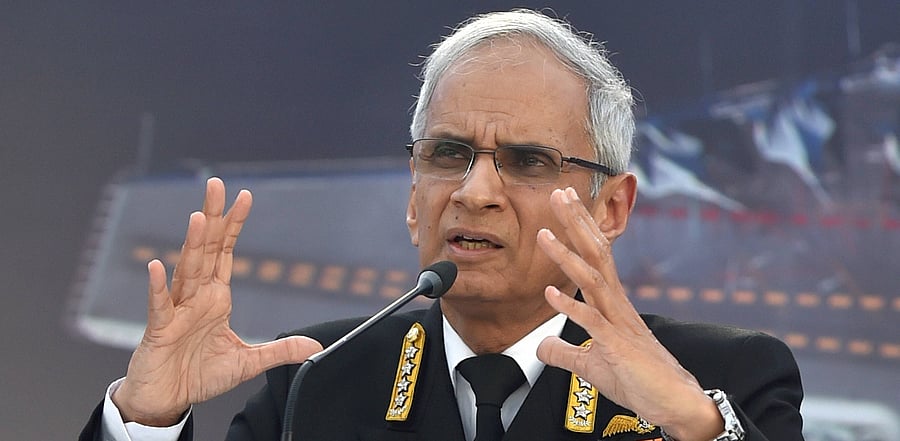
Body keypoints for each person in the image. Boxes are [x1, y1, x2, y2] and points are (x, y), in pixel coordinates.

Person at [79, 9, 803, 441]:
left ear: (610, 207)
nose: (474, 190)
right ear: (412, 191)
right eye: (448, 153)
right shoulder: (319, 380)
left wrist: (696, 425)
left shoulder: (728, 379)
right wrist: (145, 418)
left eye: (526, 160)